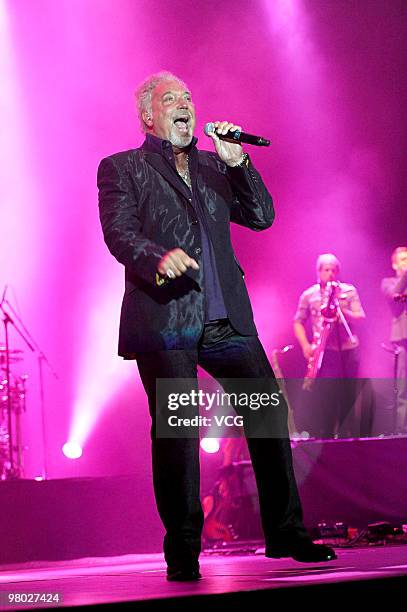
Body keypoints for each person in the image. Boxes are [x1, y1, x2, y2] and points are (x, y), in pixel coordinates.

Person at [97, 71, 336, 581]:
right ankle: (183, 549)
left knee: (267, 413)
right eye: (171, 99)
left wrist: (240, 162)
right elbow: (118, 234)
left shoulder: (212, 165)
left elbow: (262, 216)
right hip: (167, 321)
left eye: (189, 96)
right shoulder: (123, 168)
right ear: (150, 116)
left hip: (227, 319)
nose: (184, 104)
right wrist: (159, 258)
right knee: (180, 434)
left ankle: (287, 534)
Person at [293, 254, 366, 437]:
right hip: (325, 351)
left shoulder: (348, 291)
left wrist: (342, 309)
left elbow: (360, 317)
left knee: (348, 392)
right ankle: (325, 435)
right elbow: (298, 322)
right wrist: (305, 345)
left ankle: (347, 434)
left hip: (348, 349)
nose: (331, 273)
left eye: (334, 270)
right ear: (319, 272)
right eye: (326, 269)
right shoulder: (309, 294)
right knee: (327, 393)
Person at [381, 246, 407, 434]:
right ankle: (402, 431)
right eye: (404, 260)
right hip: (402, 340)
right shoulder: (388, 282)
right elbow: (393, 296)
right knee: (403, 387)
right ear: (395, 263)